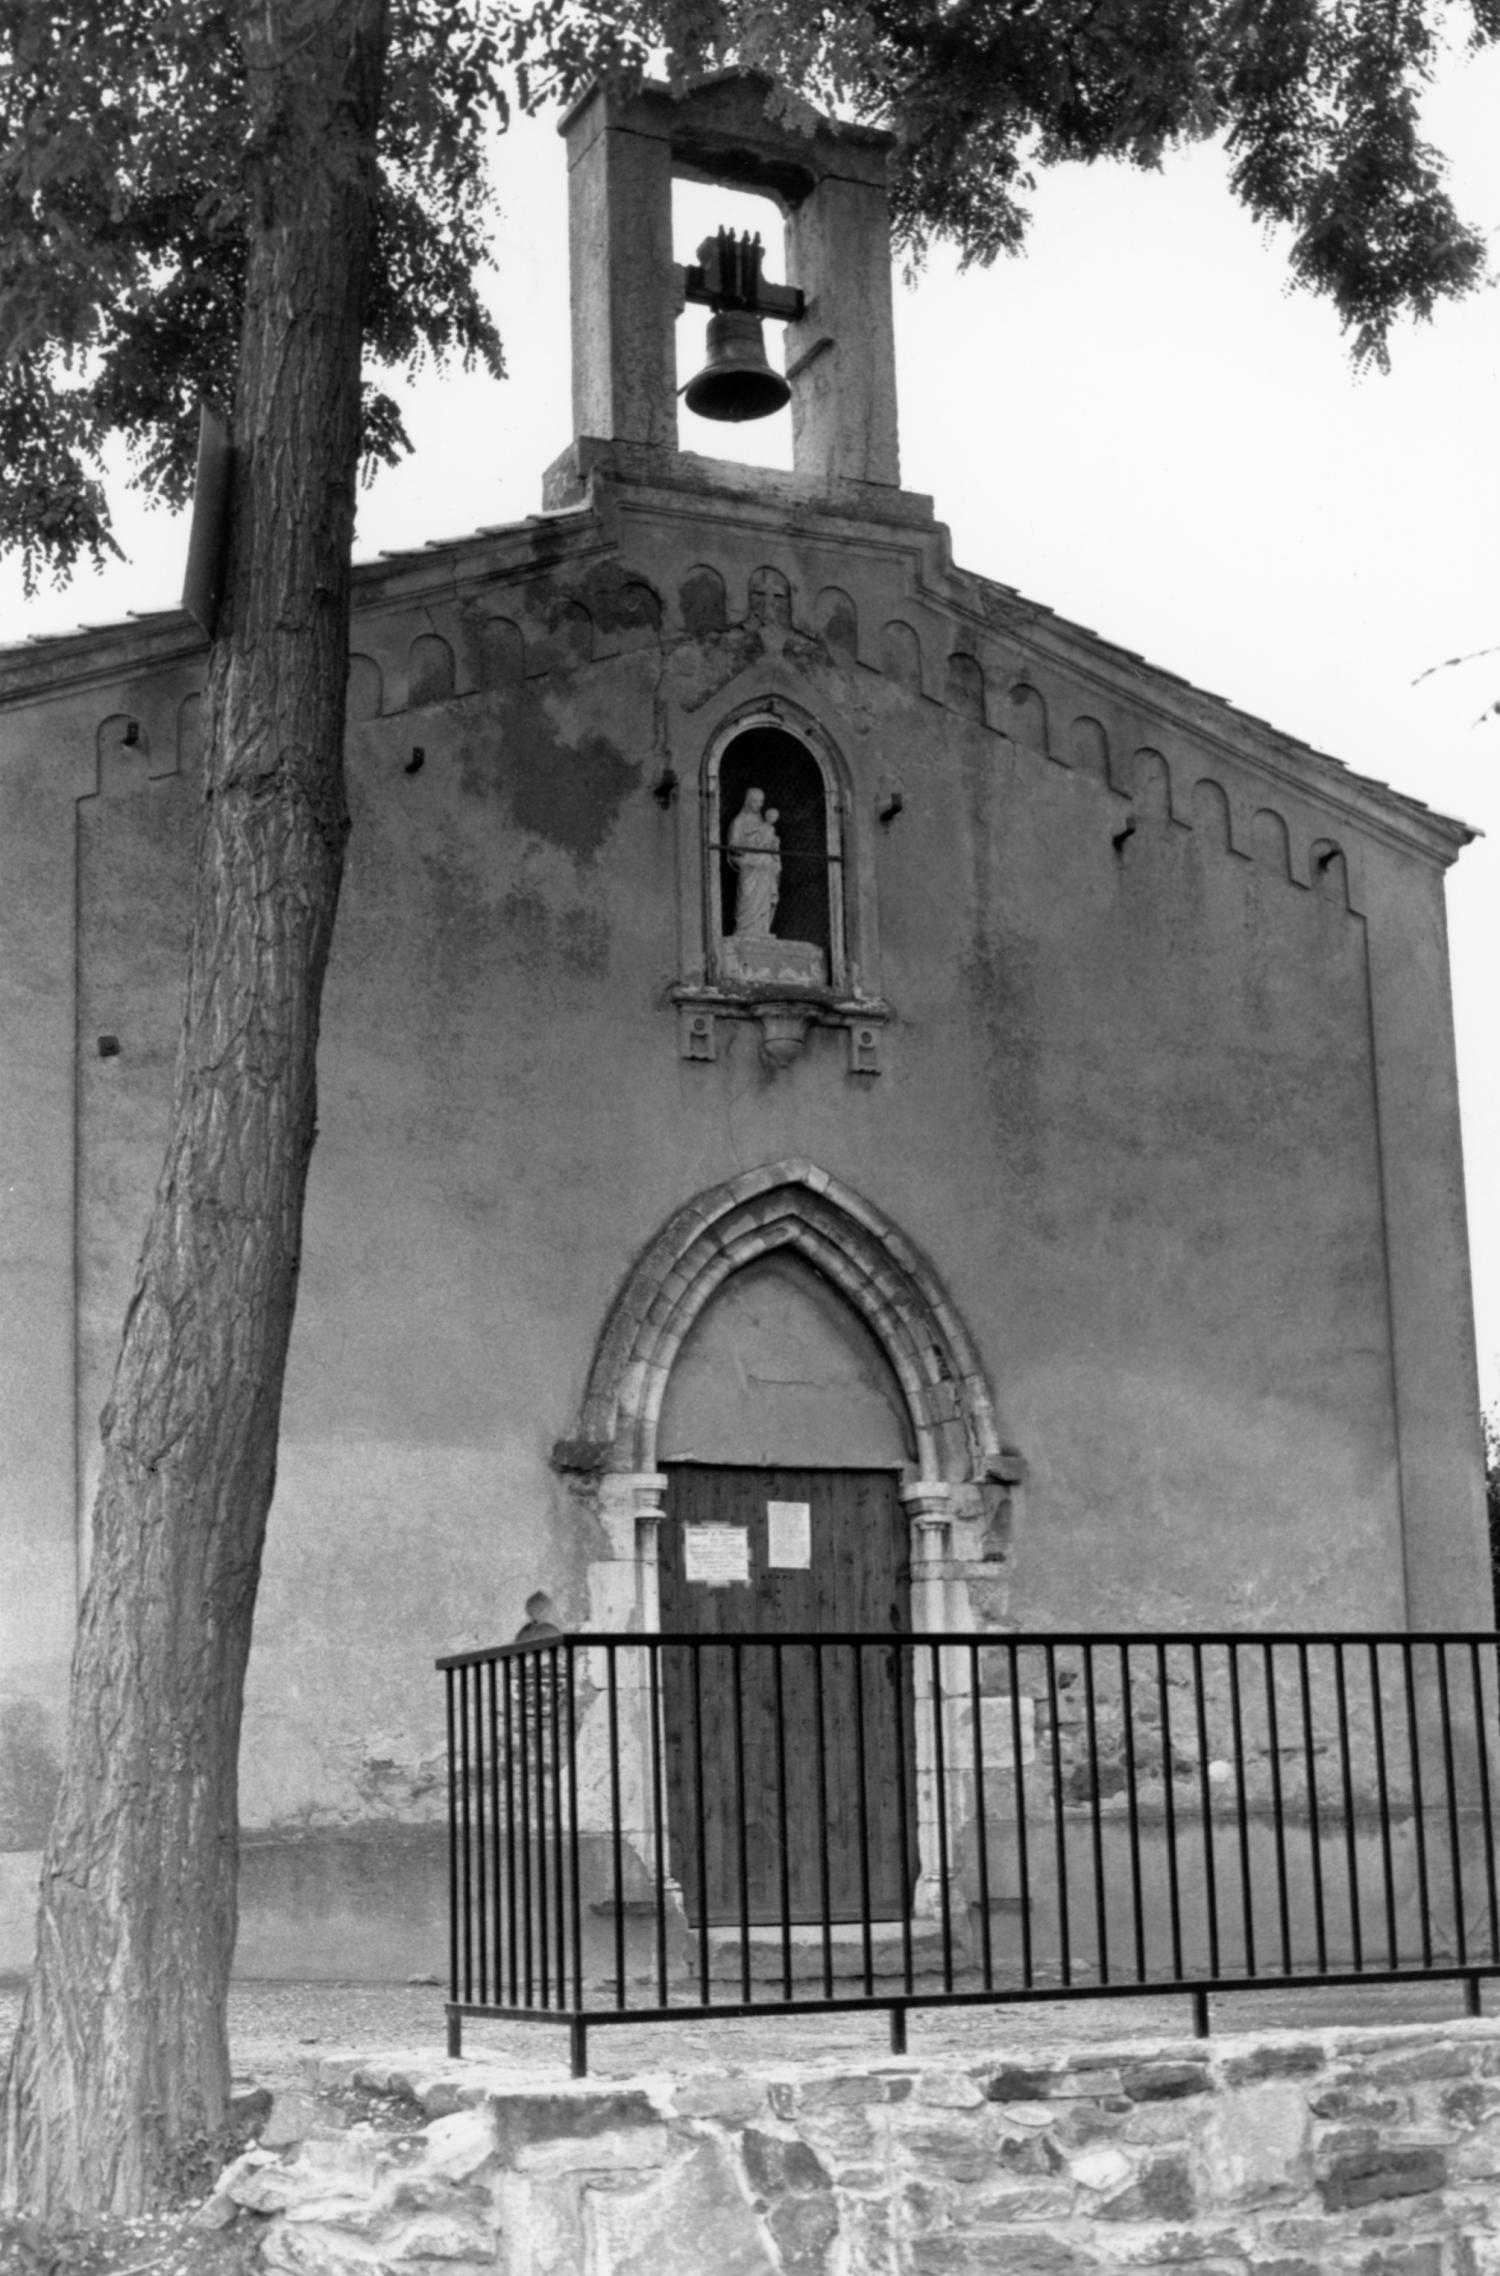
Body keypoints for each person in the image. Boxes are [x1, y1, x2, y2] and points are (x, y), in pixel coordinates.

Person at [727, 787, 781, 938]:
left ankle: (762, 928)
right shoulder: (739, 821)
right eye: (755, 801)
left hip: (763, 865)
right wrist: (752, 845)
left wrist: (773, 843)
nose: (758, 805)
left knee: (766, 865)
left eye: (761, 802)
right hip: (749, 864)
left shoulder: (764, 823)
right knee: (747, 895)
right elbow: (733, 845)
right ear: (748, 802)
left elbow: (769, 841)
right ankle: (744, 928)